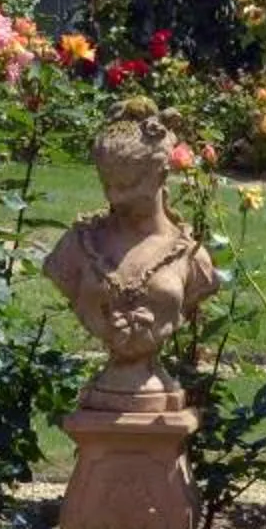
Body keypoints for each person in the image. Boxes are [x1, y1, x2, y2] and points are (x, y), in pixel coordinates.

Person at [43, 106, 219, 403]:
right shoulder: (79, 246)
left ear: (161, 174)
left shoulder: (190, 258)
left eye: (127, 185)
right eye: (107, 185)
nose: (114, 196)